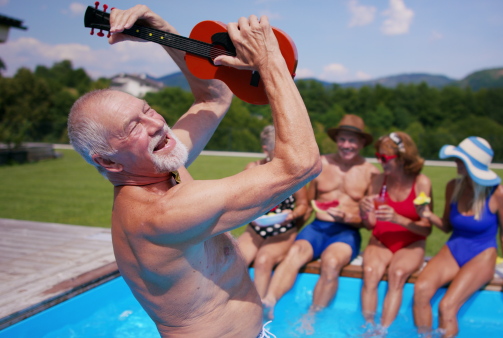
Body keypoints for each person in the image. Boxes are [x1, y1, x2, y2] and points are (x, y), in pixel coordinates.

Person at [67, 5, 321, 338]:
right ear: (109, 162)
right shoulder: (164, 214)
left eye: (147, 110)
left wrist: (162, 34)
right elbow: (301, 164)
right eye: (134, 127)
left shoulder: (161, 167)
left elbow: (212, 98)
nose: (157, 124)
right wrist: (269, 60)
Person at [261, 114, 380, 318]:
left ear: (361, 143)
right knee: (295, 252)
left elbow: (370, 223)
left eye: (352, 140)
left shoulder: (371, 173)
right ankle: (269, 303)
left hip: (346, 232)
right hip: (317, 228)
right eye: (342, 139)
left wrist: (349, 218)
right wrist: (291, 230)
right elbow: (307, 204)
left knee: (331, 263)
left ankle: (312, 316)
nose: (346, 145)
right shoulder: (321, 164)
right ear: (336, 141)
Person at [412, 137, 503, 337]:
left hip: (482, 253)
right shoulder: (452, 187)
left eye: (460, 160)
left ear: (473, 165)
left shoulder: (498, 194)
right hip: (454, 248)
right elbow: (447, 226)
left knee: (447, 306)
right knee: (421, 290)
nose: (456, 163)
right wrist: (428, 215)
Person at [358, 132, 432, 333]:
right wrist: (364, 211)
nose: (380, 161)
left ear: (402, 158)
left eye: (385, 158)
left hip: (411, 242)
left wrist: (398, 218)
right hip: (382, 239)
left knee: (397, 275)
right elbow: (370, 225)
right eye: (378, 156)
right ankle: (368, 328)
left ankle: (383, 331)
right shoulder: (378, 180)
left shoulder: (421, 183)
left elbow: (427, 227)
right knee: (370, 273)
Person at [237, 125, 309, 298]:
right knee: (236, 260)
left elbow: (303, 204)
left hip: (283, 231)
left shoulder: (293, 171)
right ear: (265, 149)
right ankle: (231, 308)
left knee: (263, 261)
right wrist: (248, 213)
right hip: (255, 229)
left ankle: (261, 314)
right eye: (278, 150)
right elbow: (239, 200)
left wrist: (292, 215)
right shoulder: (252, 169)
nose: (284, 155)